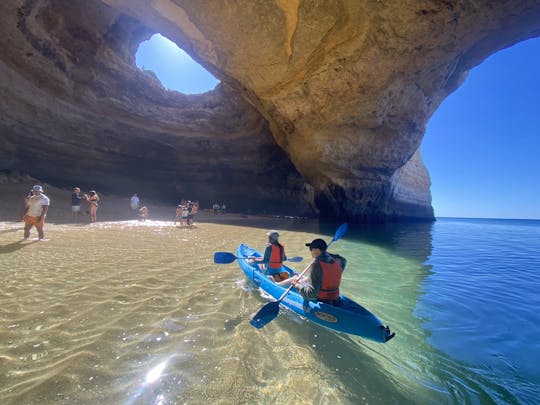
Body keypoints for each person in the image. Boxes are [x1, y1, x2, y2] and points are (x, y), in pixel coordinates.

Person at [279, 238, 347, 306]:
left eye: (311, 249)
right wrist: (324, 253)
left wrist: (296, 285)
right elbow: (342, 260)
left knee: (295, 280)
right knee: (303, 279)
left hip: (322, 299)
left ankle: (277, 285)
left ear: (317, 250)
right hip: (335, 297)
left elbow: (311, 294)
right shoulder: (339, 261)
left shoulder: (317, 265)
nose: (310, 251)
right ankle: (280, 284)